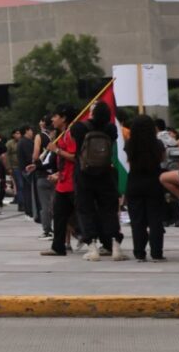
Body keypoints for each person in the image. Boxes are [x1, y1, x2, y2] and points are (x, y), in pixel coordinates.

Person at [71, 101, 127, 262]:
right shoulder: (111, 128)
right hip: (105, 174)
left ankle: (92, 247)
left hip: (84, 174)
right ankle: (115, 247)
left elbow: (74, 138)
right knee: (109, 210)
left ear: (92, 112)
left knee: (85, 209)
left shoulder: (80, 127)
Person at [124, 115, 166, 261]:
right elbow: (162, 159)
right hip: (154, 182)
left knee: (137, 220)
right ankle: (157, 252)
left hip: (134, 182)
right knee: (155, 219)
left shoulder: (129, 144)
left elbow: (129, 161)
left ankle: (139, 252)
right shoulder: (158, 144)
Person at [41, 104, 78, 256]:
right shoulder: (63, 133)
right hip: (63, 182)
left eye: (55, 116)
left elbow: (75, 157)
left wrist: (56, 150)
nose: (53, 119)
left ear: (63, 118)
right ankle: (58, 247)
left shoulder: (70, 134)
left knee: (82, 215)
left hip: (72, 182)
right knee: (59, 215)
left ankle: (102, 241)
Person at [30, 117, 58, 240]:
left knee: (45, 205)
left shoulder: (39, 136)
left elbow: (36, 154)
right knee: (56, 204)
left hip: (42, 173)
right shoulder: (58, 137)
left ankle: (47, 230)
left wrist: (34, 162)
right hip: (57, 174)